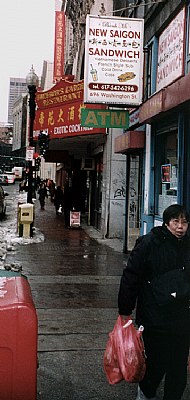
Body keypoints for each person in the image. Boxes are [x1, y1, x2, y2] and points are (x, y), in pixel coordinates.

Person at [118, 204, 190, 400]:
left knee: (178, 369)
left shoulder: (187, 245)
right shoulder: (149, 243)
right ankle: (146, 393)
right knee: (156, 364)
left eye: (184, 222)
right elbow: (131, 276)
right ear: (166, 223)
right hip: (155, 318)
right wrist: (125, 310)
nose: (180, 227)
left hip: (181, 319)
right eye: (176, 221)